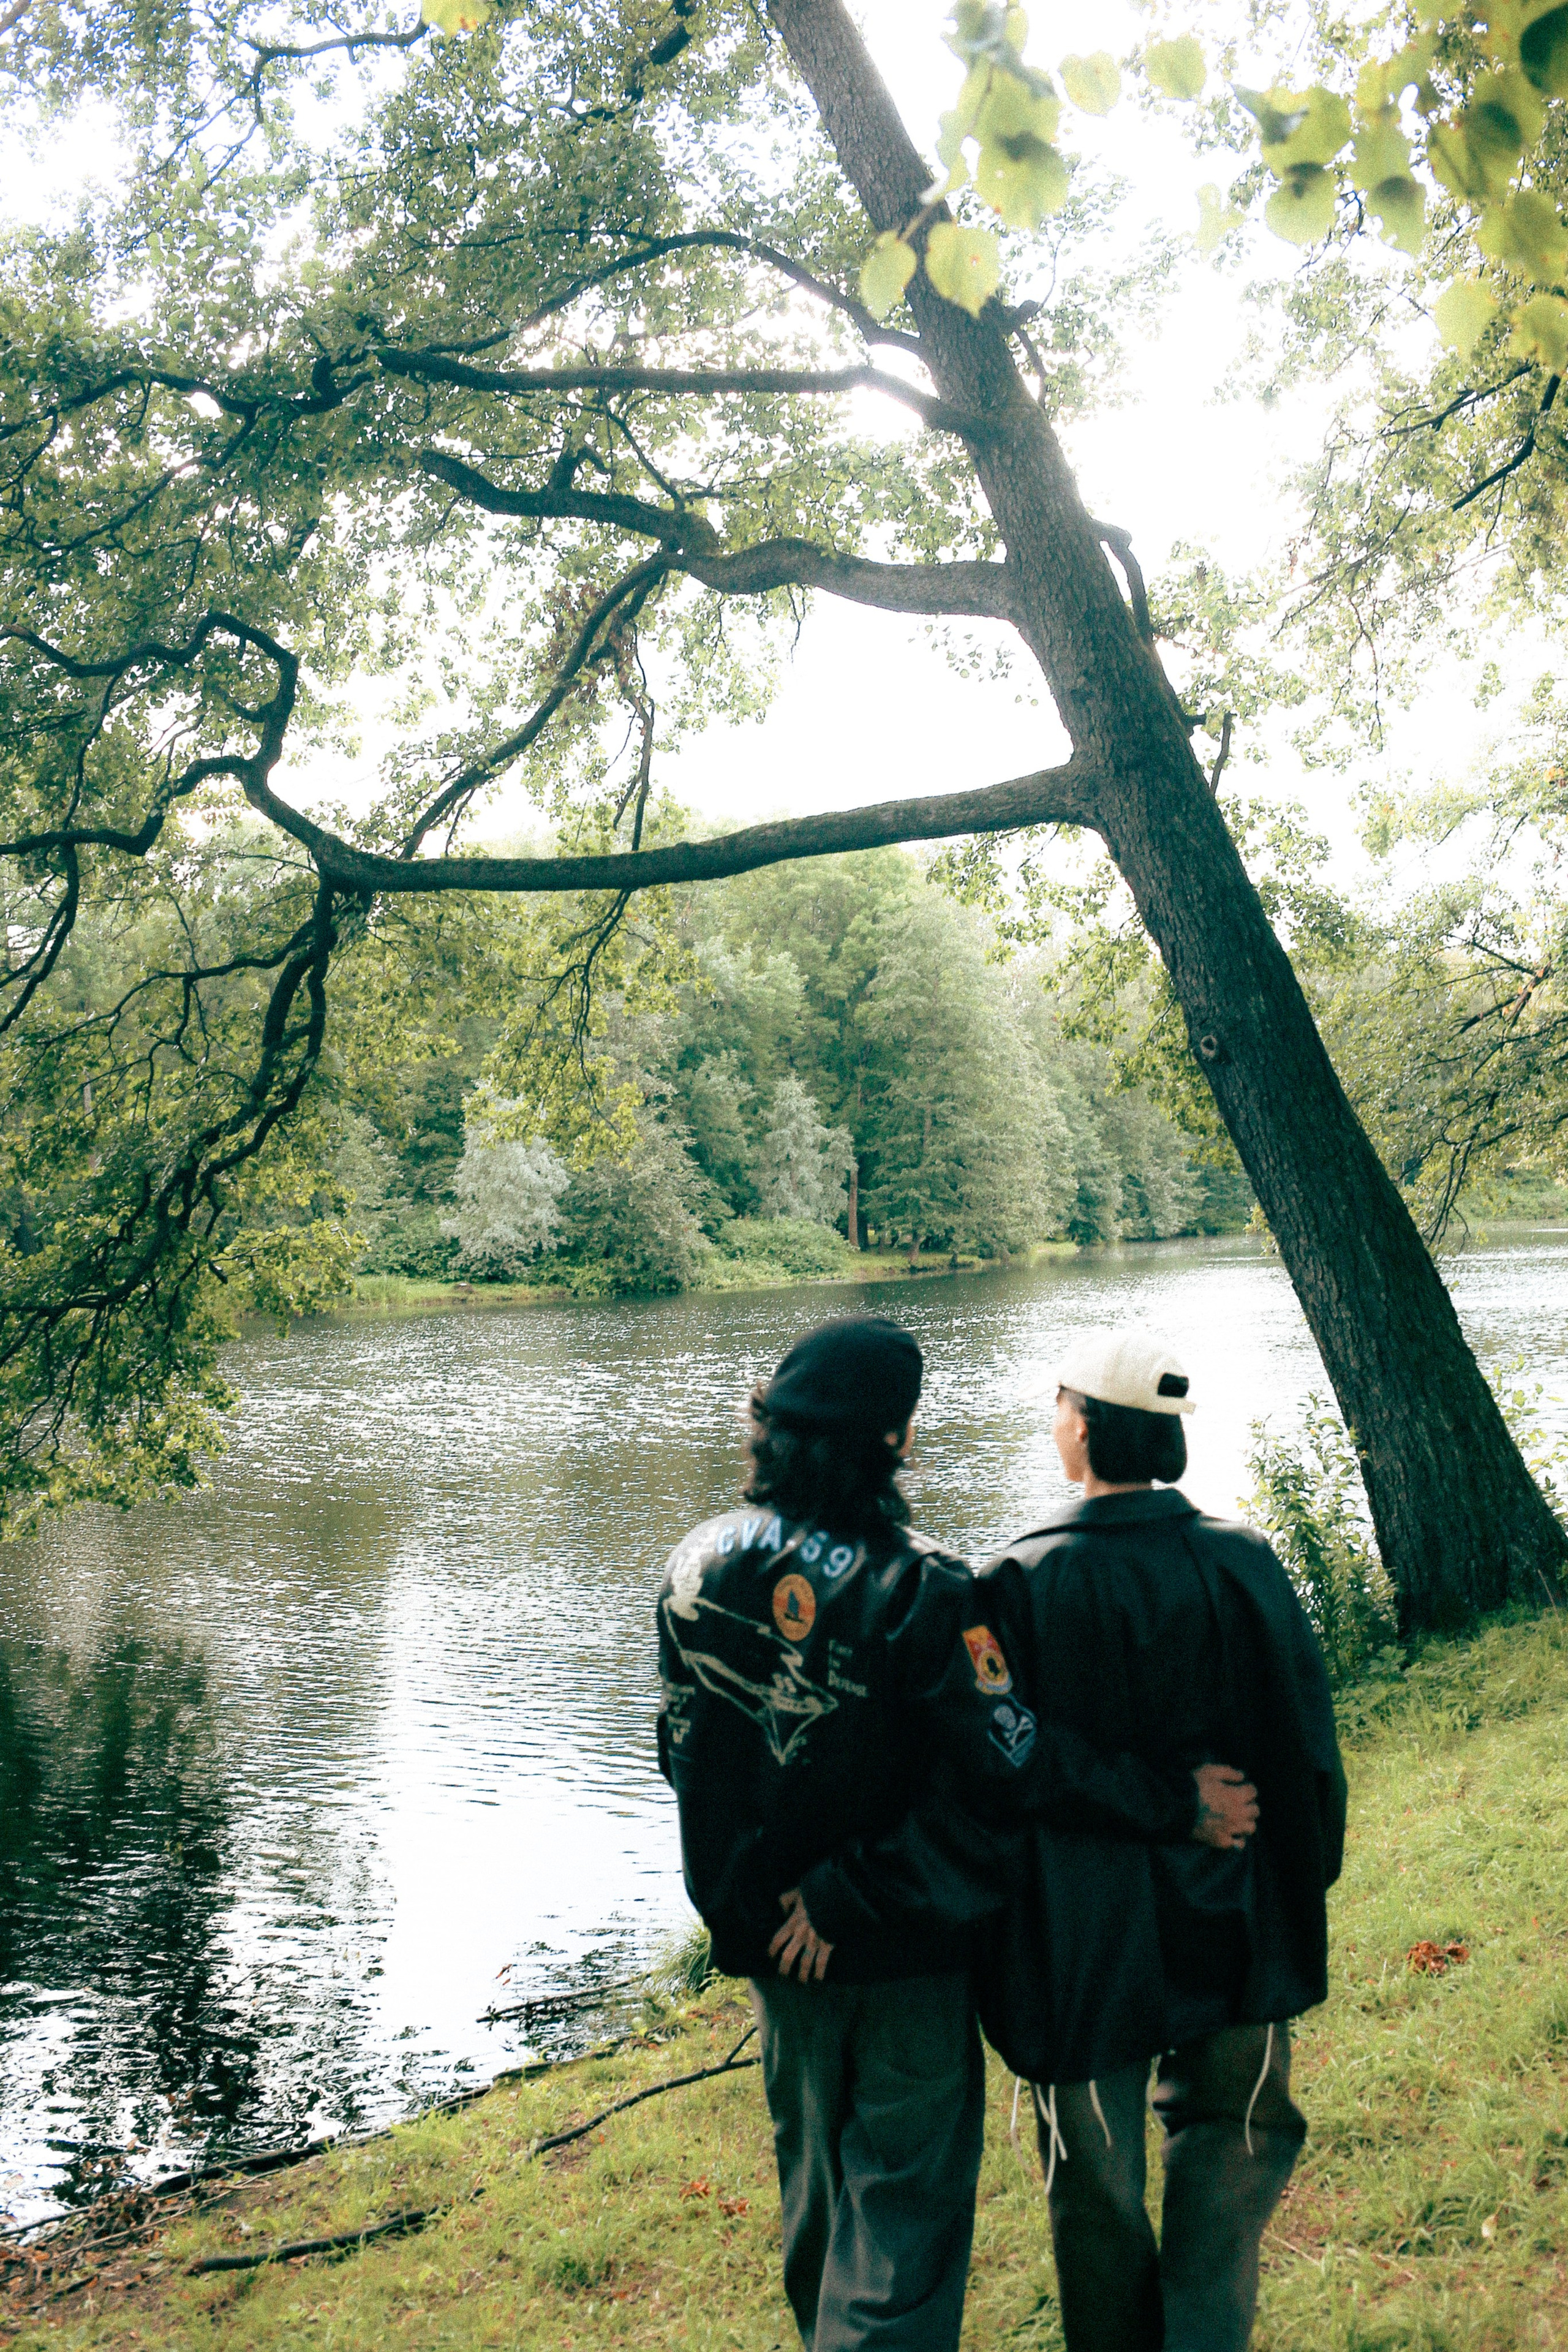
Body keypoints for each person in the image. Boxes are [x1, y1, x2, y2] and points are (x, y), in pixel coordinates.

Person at [655, 1313, 1259, 2352]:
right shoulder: (927, 1587)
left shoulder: (696, 1566)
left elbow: (685, 1757)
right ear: (893, 1438)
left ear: (773, 1427)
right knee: (902, 2228)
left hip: (774, 1957)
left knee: (818, 2213)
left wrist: (764, 1907)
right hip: (903, 1954)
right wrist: (1174, 1801)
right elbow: (1011, 1764)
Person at [973, 1328, 1348, 2352]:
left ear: (1086, 1428)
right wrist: (1298, 1882)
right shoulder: (1243, 1561)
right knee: (1233, 2145)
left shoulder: (1014, 1581)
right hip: (1238, 1918)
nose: (1054, 1424)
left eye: (1060, 1408)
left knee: (1094, 2179)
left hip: (1080, 1944)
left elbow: (1003, 1757)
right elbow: (1309, 1754)